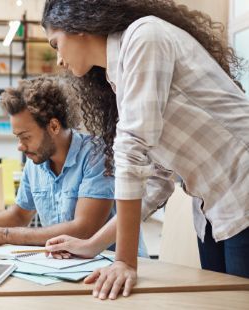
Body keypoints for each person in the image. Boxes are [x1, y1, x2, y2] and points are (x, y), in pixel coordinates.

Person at [41, 0, 249, 301]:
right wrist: (94, 244)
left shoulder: (144, 37)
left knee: (236, 302)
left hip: (241, 189)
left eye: (55, 44)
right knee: (221, 302)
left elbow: (132, 150)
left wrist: (124, 261)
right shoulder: (119, 75)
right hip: (214, 207)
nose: (59, 59)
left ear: (78, 26)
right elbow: (156, 180)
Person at [0, 76, 147, 257]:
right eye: (17, 137)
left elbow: (84, 229)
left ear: (54, 126)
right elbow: (19, 215)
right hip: (68, 265)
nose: (20, 146)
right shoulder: (35, 161)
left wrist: (4, 235)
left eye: (26, 137)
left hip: (113, 265)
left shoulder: (95, 154)